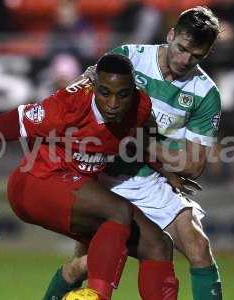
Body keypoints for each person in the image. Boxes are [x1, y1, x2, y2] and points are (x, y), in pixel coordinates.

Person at [45, 6, 223, 300]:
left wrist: (137, 142)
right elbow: (84, 106)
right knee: (85, 266)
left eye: (196, 56)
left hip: (148, 179)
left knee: (198, 246)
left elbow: (192, 165)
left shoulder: (205, 93)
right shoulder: (130, 57)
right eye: (181, 48)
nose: (184, 60)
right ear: (171, 35)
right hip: (100, 172)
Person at [0, 53, 180, 300]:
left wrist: (164, 169)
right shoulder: (65, 106)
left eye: (122, 95)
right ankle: (95, 296)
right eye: (104, 93)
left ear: (132, 91)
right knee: (119, 211)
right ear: (93, 88)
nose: (113, 103)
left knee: (159, 245)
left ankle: (73, 273)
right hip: (35, 183)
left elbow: (137, 138)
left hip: (80, 192)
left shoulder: (140, 107)